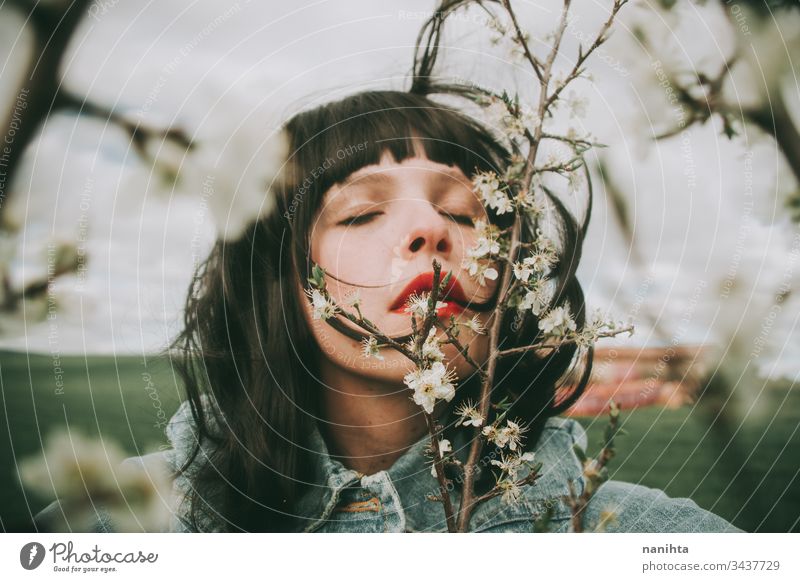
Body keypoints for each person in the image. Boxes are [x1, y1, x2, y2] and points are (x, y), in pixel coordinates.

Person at [34, 87, 741, 533]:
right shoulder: (116, 528)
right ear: (277, 278)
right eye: (362, 213)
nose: (432, 233)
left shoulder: (634, 535)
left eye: (466, 212)